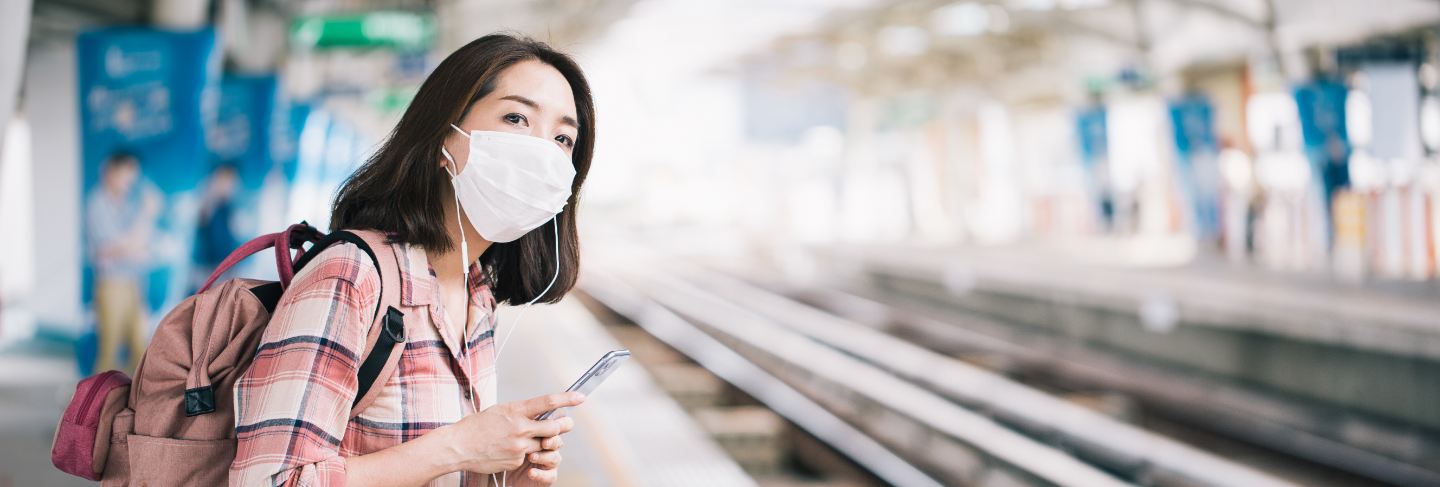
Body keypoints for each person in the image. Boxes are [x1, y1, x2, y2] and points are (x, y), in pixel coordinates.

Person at [230, 34, 595, 487]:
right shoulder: (352, 275)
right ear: (446, 134)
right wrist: (462, 446)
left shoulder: (476, 293)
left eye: (563, 138)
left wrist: (500, 475)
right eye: (516, 117)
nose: (543, 153)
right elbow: (271, 479)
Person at [86, 150, 159, 373]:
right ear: (110, 171)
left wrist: (136, 242)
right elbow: (115, 247)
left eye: (133, 176)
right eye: (127, 174)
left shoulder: (127, 205)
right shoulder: (97, 203)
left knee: (141, 349)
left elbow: (140, 244)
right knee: (109, 352)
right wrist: (146, 214)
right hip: (111, 285)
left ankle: (133, 404)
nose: (130, 181)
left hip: (133, 283)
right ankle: (97, 407)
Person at [191, 161, 240, 291]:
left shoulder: (229, 207)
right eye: (224, 180)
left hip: (225, 267)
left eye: (231, 181)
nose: (228, 185)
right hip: (204, 268)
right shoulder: (206, 203)